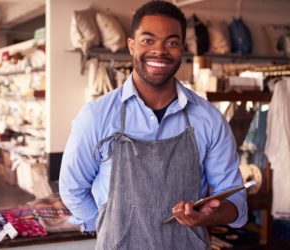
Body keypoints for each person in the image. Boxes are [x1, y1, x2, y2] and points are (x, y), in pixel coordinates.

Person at [59, 1, 247, 249]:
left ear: (182, 48)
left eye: (171, 42)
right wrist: (111, 227)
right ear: (131, 45)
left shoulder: (208, 119)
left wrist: (209, 216)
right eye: (148, 40)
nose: (160, 51)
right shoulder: (96, 116)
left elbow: (236, 199)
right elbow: (72, 189)